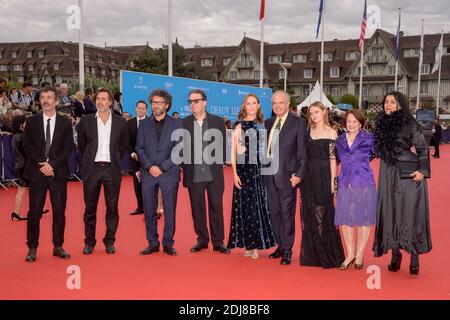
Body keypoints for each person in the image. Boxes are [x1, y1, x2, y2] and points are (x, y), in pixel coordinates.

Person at [373, 91, 432, 276]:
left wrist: (422, 171)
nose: (388, 105)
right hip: (387, 173)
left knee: (409, 214)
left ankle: (414, 257)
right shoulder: (380, 125)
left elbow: (422, 149)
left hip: (408, 175)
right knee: (391, 212)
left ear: (400, 105)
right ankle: (395, 254)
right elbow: (373, 150)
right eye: (386, 102)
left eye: (392, 101)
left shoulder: (410, 124)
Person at [23, 87, 74, 262]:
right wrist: (42, 164)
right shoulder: (32, 121)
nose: (45, 100)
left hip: (57, 173)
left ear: (56, 101)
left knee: (59, 212)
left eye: (49, 97)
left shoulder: (65, 122)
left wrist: (52, 164)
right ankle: (32, 247)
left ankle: (58, 246)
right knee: (34, 212)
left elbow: (68, 147)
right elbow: (27, 145)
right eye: (43, 97)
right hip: (37, 174)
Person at [77, 88, 129, 255]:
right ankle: (89, 241)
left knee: (112, 207)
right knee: (90, 208)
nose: (100, 102)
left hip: (112, 169)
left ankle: (109, 241)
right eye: (97, 99)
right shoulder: (86, 121)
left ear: (110, 102)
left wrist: (114, 159)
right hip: (92, 169)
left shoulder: (121, 122)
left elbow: (123, 145)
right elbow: (82, 146)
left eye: (104, 99)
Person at [227, 94, 276, 259]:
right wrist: (234, 173)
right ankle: (247, 245)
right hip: (243, 171)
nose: (251, 106)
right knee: (243, 208)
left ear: (259, 106)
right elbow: (233, 151)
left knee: (257, 208)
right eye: (248, 103)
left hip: (260, 171)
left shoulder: (264, 125)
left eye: (254, 103)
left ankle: (256, 246)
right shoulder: (239, 125)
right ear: (244, 107)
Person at [181, 89, 230, 254]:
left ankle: (218, 241)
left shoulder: (217, 122)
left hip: (214, 173)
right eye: (190, 101)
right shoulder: (184, 123)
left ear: (204, 102)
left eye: (196, 101)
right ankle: (202, 240)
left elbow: (223, 146)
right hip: (194, 173)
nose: (192, 104)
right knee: (197, 208)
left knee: (216, 207)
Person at [263, 91, 307, 266]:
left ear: (288, 104)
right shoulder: (267, 123)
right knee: (274, 214)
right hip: (268, 176)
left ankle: (287, 250)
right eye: (274, 103)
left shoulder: (298, 124)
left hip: (288, 177)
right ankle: (280, 245)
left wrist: (299, 174)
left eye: (281, 103)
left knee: (287, 214)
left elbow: (303, 152)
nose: (277, 106)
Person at [136, 89, 182, 256]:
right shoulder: (144, 124)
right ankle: (152, 242)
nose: (156, 105)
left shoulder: (177, 124)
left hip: (169, 173)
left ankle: (168, 243)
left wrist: (162, 167)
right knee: (149, 210)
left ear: (167, 105)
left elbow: (180, 150)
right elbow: (139, 148)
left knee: (169, 209)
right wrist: (149, 167)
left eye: (159, 103)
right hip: (148, 173)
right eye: (153, 103)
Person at [299, 101, 345, 268]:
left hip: (325, 175)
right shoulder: (308, 130)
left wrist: (334, 183)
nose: (313, 116)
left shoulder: (333, 133)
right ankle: (314, 253)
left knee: (324, 212)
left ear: (324, 112)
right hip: (308, 177)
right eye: (311, 113)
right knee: (310, 212)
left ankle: (326, 252)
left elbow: (334, 161)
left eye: (316, 112)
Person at [334, 109, 376, 270]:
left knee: (364, 219)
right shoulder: (339, 140)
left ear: (361, 123)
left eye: (355, 122)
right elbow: (336, 159)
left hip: (364, 182)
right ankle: (350, 253)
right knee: (346, 219)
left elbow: (374, 154)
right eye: (349, 121)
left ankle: (360, 254)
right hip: (345, 182)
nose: (351, 124)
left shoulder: (369, 138)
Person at [127, 100, 148, 215]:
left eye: (143, 108)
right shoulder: (129, 123)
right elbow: (127, 141)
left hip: (147, 159)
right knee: (137, 183)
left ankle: (150, 207)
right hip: (134, 158)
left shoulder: (151, 121)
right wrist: (132, 153)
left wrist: (144, 155)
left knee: (148, 183)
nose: (140, 110)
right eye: (139, 108)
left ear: (146, 110)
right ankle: (140, 207)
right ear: (136, 109)